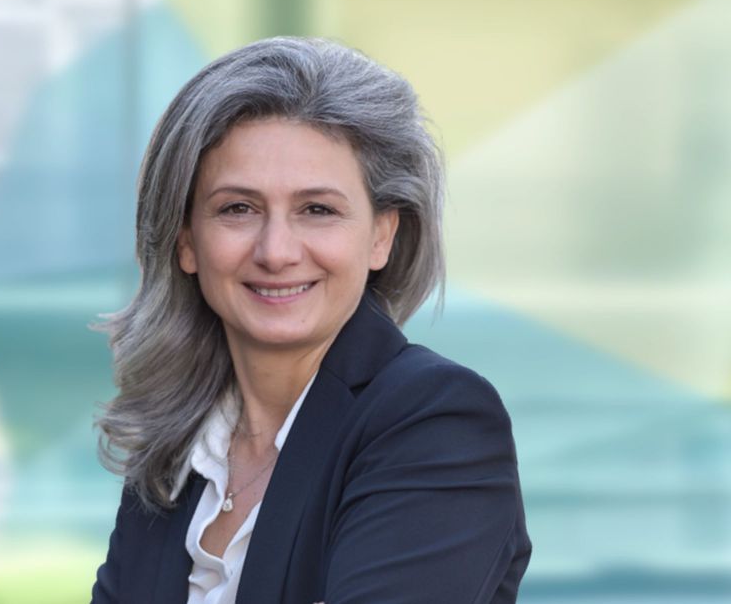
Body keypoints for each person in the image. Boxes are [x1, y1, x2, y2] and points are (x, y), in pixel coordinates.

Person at [91, 37, 530, 603]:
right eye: (237, 209)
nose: (276, 252)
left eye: (317, 210)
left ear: (381, 235)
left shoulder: (437, 423)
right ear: (186, 243)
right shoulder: (176, 447)